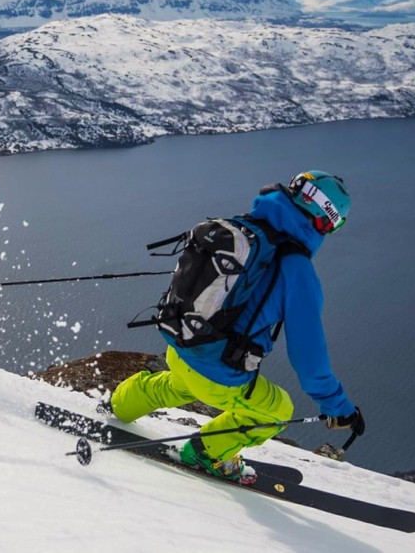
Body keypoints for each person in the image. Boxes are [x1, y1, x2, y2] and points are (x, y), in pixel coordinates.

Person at [100, 170, 366, 484]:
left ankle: (120, 403)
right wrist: (338, 407)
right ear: (324, 221)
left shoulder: (245, 229)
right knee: (277, 409)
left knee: (177, 384)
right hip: (219, 375)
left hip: (181, 348)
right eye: (336, 224)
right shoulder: (298, 271)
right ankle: (205, 453)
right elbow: (309, 358)